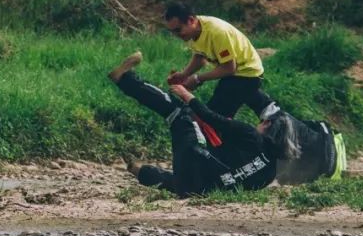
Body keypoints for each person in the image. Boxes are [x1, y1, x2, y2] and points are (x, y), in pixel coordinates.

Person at [107, 51, 280, 196]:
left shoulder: (252, 136)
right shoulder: (270, 173)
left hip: (195, 155)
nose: (261, 122)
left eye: (264, 121)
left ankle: (124, 79)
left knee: (178, 112)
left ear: (266, 127)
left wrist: (185, 94)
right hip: (197, 187)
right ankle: (138, 170)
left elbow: (209, 117)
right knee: (183, 183)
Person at [163, 2, 277, 120]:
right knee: (251, 102)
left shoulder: (217, 32)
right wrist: (184, 74)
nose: (176, 35)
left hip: (246, 74)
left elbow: (229, 68)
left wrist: (197, 79)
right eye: (171, 32)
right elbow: (200, 57)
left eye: (178, 30)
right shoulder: (194, 31)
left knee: (213, 118)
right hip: (235, 73)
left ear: (191, 20)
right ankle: (272, 114)